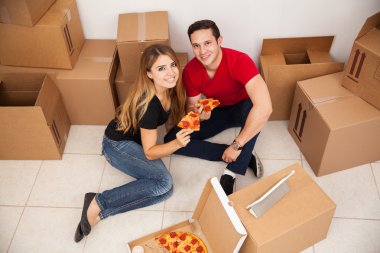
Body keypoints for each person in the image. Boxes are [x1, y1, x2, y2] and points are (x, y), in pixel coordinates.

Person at [74, 44, 192, 242]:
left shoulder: (170, 88)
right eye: (161, 68)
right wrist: (177, 144)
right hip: (116, 146)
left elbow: (181, 117)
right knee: (164, 183)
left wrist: (201, 116)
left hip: (134, 142)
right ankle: (97, 201)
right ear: (149, 74)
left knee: (166, 191)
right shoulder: (149, 105)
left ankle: (103, 213)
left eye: (172, 65)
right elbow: (150, 152)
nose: (171, 73)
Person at [164, 20, 272, 195]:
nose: (202, 51)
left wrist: (237, 144)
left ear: (219, 41)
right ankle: (247, 155)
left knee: (255, 107)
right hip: (218, 110)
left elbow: (265, 108)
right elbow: (193, 105)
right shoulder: (191, 70)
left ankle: (231, 172)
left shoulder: (240, 60)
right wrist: (199, 114)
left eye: (207, 43)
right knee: (172, 140)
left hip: (243, 109)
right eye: (196, 46)